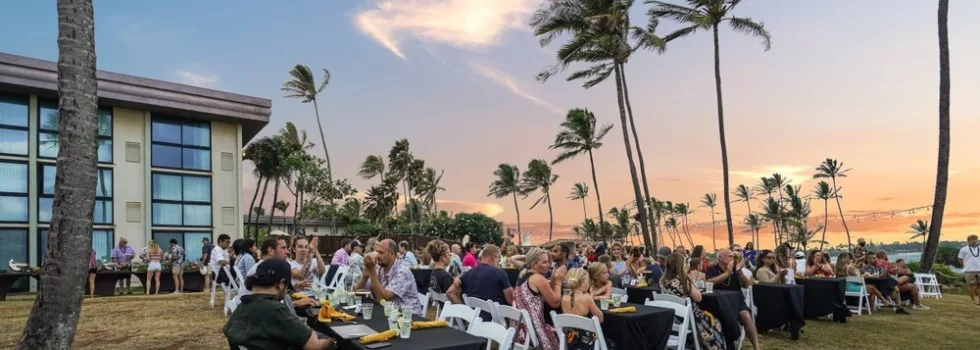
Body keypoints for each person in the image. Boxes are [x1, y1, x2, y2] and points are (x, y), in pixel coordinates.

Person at [223, 259, 337, 350]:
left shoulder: (242, 306)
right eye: (287, 287)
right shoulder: (275, 309)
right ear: (281, 284)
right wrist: (333, 342)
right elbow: (314, 345)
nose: (287, 292)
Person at [662, 252, 726, 349]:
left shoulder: (663, 281)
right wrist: (693, 280)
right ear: (681, 265)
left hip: (671, 320)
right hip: (689, 321)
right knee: (715, 321)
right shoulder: (683, 281)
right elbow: (699, 298)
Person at [705, 249, 760, 350]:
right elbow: (709, 282)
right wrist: (727, 273)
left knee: (746, 316)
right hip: (719, 303)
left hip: (736, 300)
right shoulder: (713, 269)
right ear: (720, 258)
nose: (732, 259)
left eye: (733, 257)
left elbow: (747, 285)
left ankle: (757, 347)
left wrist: (740, 274)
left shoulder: (736, 269)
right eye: (730, 256)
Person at [357, 239, 423, 315]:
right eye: (377, 252)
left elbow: (385, 298)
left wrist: (372, 272)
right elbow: (358, 293)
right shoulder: (380, 268)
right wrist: (364, 277)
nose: (377, 255)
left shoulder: (402, 271)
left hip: (409, 317)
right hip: (391, 313)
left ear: (392, 254)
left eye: (381, 252)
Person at [513, 248, 562, 350]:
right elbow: (556, 303)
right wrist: (558, 281)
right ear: (533, 264)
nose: (548, 265)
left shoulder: (522, 275)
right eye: (544, 262)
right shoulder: (538, 278)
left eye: (548, 261)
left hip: (521, 332)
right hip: (535, 333)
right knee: (570, 333)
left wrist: (553, 280)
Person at [448, 244, 514, 313]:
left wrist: (466, 310)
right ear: (494, 257)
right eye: (498, 260)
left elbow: (450, 293)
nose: (498, 263)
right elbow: (510, 300)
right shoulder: (499, 273)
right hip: (496, 320)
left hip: (474, 319)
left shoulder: (468, 273)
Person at [560, 268, 608, 350]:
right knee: (612, 343)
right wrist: (590, 298)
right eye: (588, 281)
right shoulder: (586, 298)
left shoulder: (564, 298)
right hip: (589, 343)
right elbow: (600, 319)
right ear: (583, 283)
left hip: (570, 342)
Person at [958, 234, 980, 306]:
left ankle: (979, 301)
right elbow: (960, 259)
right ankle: (973, 300)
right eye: (972, 239)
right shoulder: (964, 249)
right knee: (971, 286)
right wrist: (964, 267)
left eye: (976, 239)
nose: (974, 241)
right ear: (968, 241)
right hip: (969, 270)